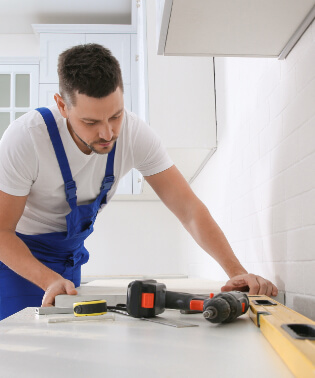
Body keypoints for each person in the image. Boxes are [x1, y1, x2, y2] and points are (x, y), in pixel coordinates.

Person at [0, 44, 278, 321]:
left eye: (116, 115)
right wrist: (47, 278)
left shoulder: (135, 136)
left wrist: (236, 272)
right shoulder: (27, 140)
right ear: (62, 106)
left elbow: (189, 209)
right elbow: (1, 231)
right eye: (90, 121)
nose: (108, 132)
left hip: (69, 261)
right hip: (19, 258)